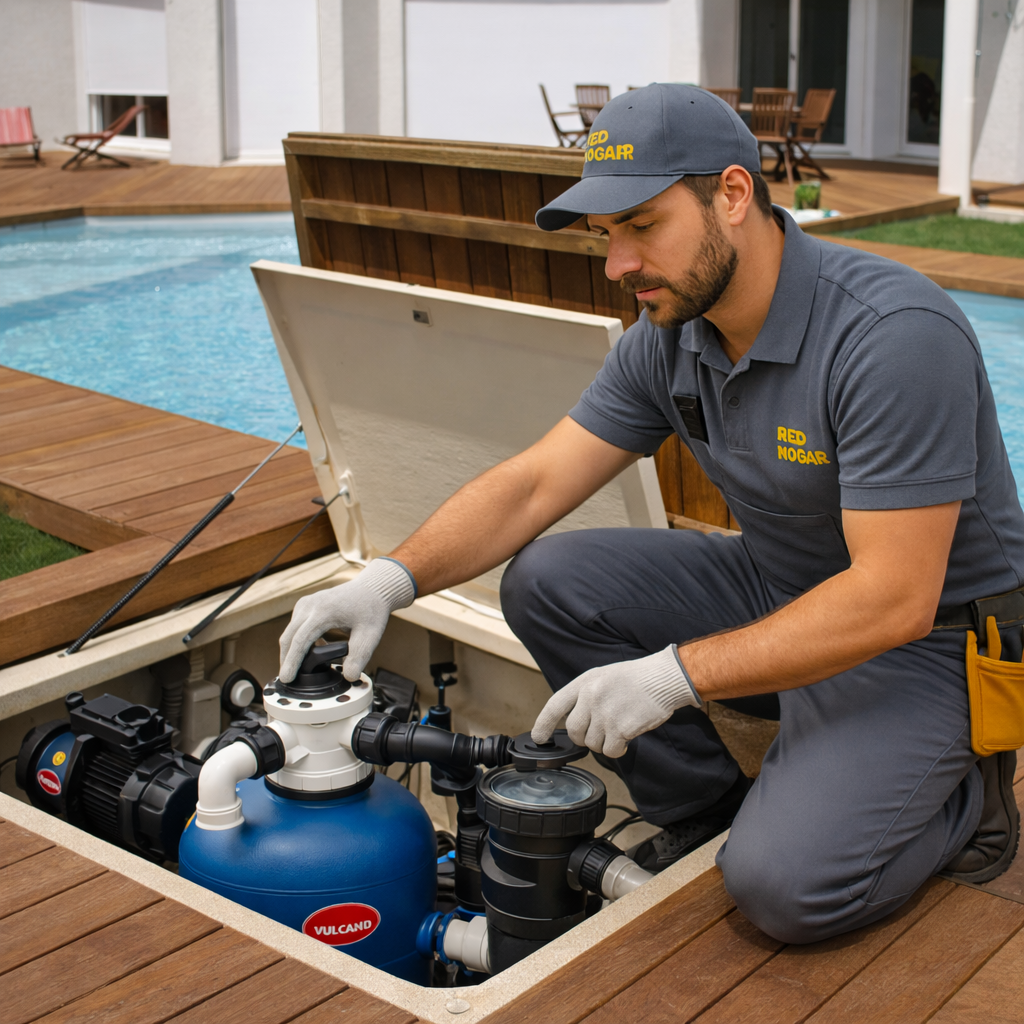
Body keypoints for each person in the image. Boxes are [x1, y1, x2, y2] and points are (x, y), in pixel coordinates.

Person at [278, 84, 1022, 944]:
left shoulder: (892, 334)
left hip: (931, 642)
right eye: (606, 235)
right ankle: (711, 805)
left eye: (641, 225)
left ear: (733, 196)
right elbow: (534, 483)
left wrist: (673, 673)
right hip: (780, 583)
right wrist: (389, 578)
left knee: (783, 890)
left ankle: (964, 793)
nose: (616, 264)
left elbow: (895, 597)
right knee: (553, 580)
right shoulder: (673, 332)